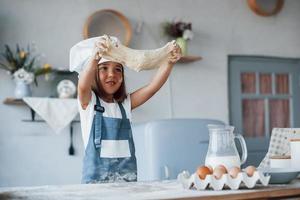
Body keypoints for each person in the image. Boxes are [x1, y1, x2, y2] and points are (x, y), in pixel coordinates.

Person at [77, 36, 181, 183]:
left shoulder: (125, 104)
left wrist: (169, 62)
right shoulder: (89, 103)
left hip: (127, 183)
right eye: (104, 68)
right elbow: (82, 86)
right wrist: (94, 59)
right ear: (94, 73)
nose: (112, 74)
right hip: (96, 186)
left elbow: (152, 88)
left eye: (118, 69)